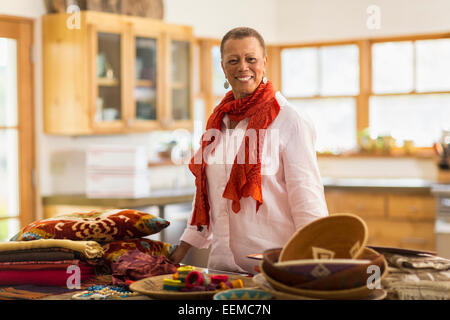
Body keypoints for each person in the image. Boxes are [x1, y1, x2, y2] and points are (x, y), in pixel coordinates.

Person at [169, 27, 328, 274]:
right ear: (223, 66)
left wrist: (310, 273)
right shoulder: (218, 120)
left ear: (264, 63)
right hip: (222, 269)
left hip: (274, 270)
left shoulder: (291, 120)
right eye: (233, 60)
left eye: (250, 59)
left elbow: (309, 205)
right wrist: (176, 254)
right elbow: (208, 194)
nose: (243, 67)